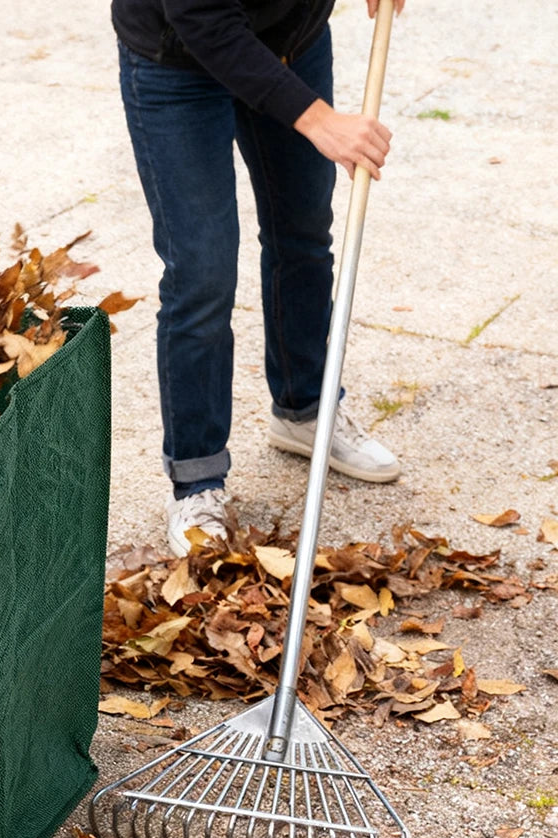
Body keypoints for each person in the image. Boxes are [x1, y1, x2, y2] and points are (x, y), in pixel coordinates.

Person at [112, 0, 407, 554]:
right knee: (202, 271)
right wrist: (319, 121)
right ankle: (197, 480)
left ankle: (305, 410)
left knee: (302, 231)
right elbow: (203, 17)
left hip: (293, 39)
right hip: (178, 58)